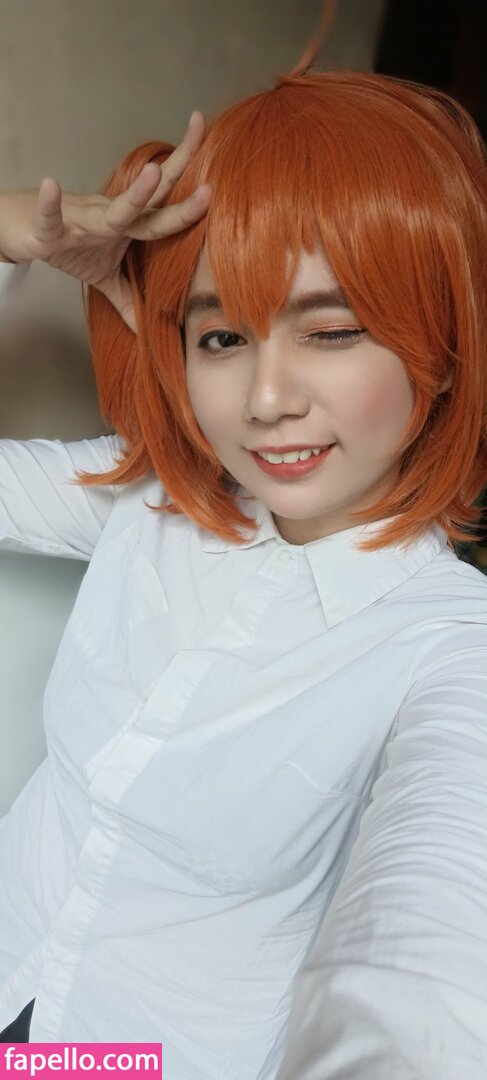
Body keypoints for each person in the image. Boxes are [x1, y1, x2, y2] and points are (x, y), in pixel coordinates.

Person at [1, 43, 487, 1080]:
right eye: (221, 338)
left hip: (142, 1060)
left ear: (443, 348)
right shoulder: (152, 503)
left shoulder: (447, 646)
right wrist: (6, 237)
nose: (266, 401)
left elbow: (435, 944)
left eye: (332, 330)